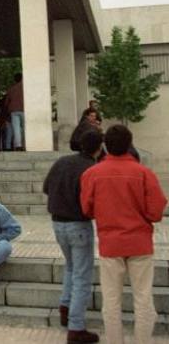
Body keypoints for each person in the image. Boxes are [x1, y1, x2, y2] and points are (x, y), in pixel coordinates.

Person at [80, 125, 167, 344]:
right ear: (129, 144)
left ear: (105, 145)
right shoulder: (144, 173)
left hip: (110, 244)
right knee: (144, 300)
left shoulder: (92, 174)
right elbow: (156, 212)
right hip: (140, 244)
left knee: (111, 303)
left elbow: (87, 209)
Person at [43, 130, 104, 343]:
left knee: (71, 267)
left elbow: (46, 188)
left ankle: (65, 307)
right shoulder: (91, 168)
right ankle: (76, 326)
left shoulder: (62, 162)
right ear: (99, 148)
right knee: (82, 275)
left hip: (57, 223)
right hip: (78, 224)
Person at [4, 73, 24, 151]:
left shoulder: (11, 89)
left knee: (16, 129)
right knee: (24, 128)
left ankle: (18, 145)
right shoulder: (25, 87)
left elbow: (6, 102)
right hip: (23, 109)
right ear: (22, 78)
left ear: (14, 80)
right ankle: (24, 144)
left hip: (13, 110)